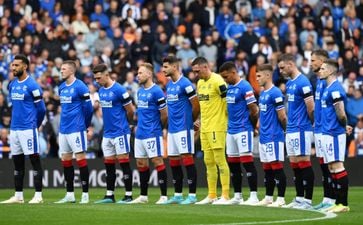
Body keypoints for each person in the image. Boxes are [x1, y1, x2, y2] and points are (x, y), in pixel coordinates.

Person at [0, 54, 46, 204]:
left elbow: (42, 109)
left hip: (28, 128)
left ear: (25, 66)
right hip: (14, 129)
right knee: (17, 162)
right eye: (12, 65)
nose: (13, 68)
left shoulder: (33, 85)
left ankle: (38, 195)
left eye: (16, 65)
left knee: (34, 161)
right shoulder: (12, 84)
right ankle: (18, 195)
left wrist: (36, 125)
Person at [92, 64, 135, 204]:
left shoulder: (119, 89)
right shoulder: (101, 90)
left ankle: (128, 195)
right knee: (109, 165)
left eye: (99, 77)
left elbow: (131, 110)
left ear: (106, 74)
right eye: (95, 78)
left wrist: (127, 123)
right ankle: (109, 195)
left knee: (124, 164)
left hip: (120, 132)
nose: (97, 80)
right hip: (108, 133)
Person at [218, 61, 259, 205]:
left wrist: (252, 127)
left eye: (226, 76)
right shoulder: (229, 87)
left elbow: (254, 110)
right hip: (231, 130)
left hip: (243, 129)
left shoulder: (245, 86)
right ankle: (238, 195)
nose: (224, 79)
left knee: (247, 162)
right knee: (233, 164)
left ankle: (253, 196)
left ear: (234, 73)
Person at [277, 53, 315, 209]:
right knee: (294, 165)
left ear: (291, 64)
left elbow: (311, 107)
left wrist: (310, 125)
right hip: (291, 129)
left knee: (304, 163)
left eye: (282, 67)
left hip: (301, 128)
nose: (280, 71)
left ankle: (308, 200)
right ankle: (299, 198)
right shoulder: (290, 83)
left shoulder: (303, 82)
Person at [191, 57, 230, 205]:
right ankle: (212, 195)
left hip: (217, 126)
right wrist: (200, 120)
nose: (195, 74)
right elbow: (203, 105)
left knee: (220, 160)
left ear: (205, 67)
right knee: (208, 161)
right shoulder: (200, 83)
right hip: (205, 127)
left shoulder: (218, 80)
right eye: (194, 72)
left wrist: (224, 120)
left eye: (197, 71)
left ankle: (225, 195)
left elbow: (227, 102)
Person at [161, 56, 200, 205]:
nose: (163, 69)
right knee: (174, 161)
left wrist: (191, 121)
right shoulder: (170, 85)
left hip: (184, 128)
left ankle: (192, 195)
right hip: (172, 129)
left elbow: (196, 105)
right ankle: (177, 194)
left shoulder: (186, 84)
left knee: (187, 159)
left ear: (174, 67)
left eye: (165, 67)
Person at [129, 63, 168, 204]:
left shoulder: (157, 91)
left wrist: (157, 127)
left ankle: (164, 196)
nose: (137, 75)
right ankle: (143, 196)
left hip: (152, 132)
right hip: (140, 133)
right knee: (140, 163)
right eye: (137, 73)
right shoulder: (139, 91)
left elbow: (164, 114)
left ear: (149, 74)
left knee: (157, 161)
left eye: (140, 73)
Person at [54, 60, 93, 204]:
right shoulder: (62, 87)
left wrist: (85, 124)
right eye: (61, 69)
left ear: (71, 71)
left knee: (81, 159)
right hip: (63, 129)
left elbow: (88, 108)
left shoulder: (81, 86)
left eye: (63, 69)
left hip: (77, 128)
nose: (61, 71)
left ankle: (85, 194)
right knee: (66, 160)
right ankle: (69, 194)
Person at [319, 59, 350, 213]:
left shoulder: (336, 89)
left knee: (337, 166)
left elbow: (341, 112)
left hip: (334, 134)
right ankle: (337, 202)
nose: (320, 70)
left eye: (323, 68)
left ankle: (343, 204)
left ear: (331, 71)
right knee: (331, 167)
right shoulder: (327, 88)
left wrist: (344, 126)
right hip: (326, 132)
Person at [255, 64, 288, 207]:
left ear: (268, 75)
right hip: (264, 136)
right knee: (267, 168)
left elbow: (282, 116)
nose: (256, 79)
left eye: (259, 76)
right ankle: (268, 197)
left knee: (276, 167)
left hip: (274, 135)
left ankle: (280, 198)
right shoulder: (262, 93)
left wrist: (284, 131)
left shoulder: (276, 93)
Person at [310, 49, 335, 210]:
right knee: (323, 166)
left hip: (327, 130)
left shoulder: (328, 82)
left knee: (330, 165)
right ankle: (327, 198)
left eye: (313, 60)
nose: (311, 63)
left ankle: (333, 199)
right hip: (318, 129)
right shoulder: (319, 80)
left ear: (322, 61)